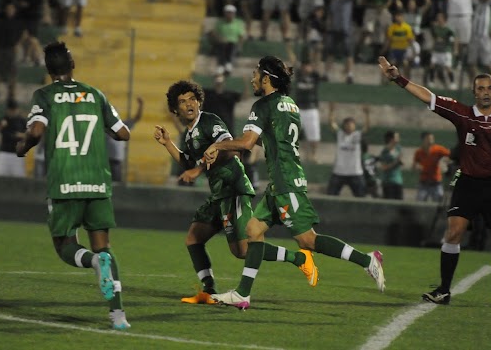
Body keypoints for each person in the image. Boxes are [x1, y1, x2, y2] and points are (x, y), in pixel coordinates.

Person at [204, 56, 385, 309]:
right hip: (282, 180)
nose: (252, 78)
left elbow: (247, 143)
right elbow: (270, 139)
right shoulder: (290, 104)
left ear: (266, 78)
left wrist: (218, 145)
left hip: (285, 181)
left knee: (308, 241)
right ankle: (243, 294)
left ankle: (368, 260)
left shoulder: (263, 105)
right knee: (254, 231)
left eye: (256, 74)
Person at [378, 55, 491, 309]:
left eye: (489, 88)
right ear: (473, 92)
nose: (485, 93)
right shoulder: (462, 114)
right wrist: (399, 79)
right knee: (453, 233)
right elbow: (428, 97)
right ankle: (443, 291)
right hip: (467, 184)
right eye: (480, 88)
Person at [154, 80, 319, 305]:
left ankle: (299, 258)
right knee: (194, 238)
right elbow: (187, 163)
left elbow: (231, 148)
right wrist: (167, 143)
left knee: (242, 250)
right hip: (219, 193)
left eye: (192, 98)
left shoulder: (210, 121)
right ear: (175, 109)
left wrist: (199, 169)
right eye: (182, 102)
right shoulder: (190, 134)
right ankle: (209, 291)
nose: (189, 104)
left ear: (199, 101)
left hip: (234, 188)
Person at [15, 41, 132, 329]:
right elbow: (123, 133)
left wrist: (23, 146)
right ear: (73, 65)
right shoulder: (94, 94)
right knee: (104, 246)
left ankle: (93, 263)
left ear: (47, 69)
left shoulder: (44, 95)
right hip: (97, 181)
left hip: (65, 180)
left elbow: (37, 130)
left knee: (65, 245)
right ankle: (118, 316)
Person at [327, 104, 370, 197]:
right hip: (339, 172)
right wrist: (331, 112)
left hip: (355, 172)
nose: (349, 126)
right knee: (330, 196)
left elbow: (366, 127)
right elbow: (332, 124)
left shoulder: (357, 135)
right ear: (344, 126)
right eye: (347, 124)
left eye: (351, 124)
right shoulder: (340, 134)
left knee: (361, 197)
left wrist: (367, 114)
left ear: (354, 126)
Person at [106, 96, 144, 182]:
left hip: (116, 161)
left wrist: (141, 105)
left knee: (116, 183)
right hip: (106, 161)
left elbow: (137, 118)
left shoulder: (123, 125)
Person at [412, 132, 450, 203]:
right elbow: (414, 165)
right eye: (428, 138)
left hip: (436, 182)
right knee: (419, 202)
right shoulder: (419, 152)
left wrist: (446, 161)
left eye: (432, 138)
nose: (431, 140)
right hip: (424, 183)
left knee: (439, 203)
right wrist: (417, 167)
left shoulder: (438, 149)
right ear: (423, 140)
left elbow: (450, 155)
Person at [0, 99, 27, 177]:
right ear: (7, 110)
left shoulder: (21, 121)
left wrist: (20, 135)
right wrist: (0, 126)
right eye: (11, 109)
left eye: (15, 109)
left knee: (18, 177)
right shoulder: (3, 119)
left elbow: (29, 135)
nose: (13, 111)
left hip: (18, 154)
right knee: (1, 176)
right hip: (4, 152)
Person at [379, 130, 403, 200]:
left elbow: (399, 160)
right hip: (388, 182)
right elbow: (384, 167)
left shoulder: (398, 148)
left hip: (398, 181)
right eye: (397, 137)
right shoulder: (385, 151)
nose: (398, 139)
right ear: (391, 139)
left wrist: (400, 162)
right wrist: (395, 162)